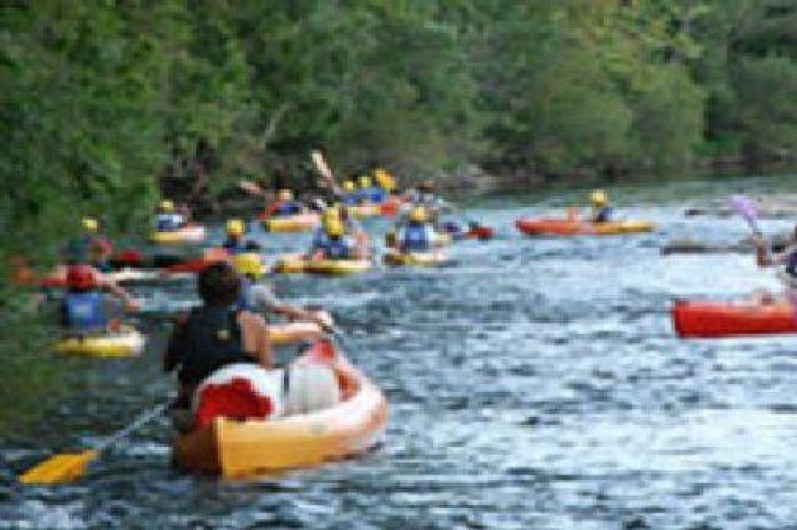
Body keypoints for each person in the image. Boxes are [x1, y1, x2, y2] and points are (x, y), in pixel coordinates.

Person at [163, 261, 274, 409]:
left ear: (200, 291)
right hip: (244, 404)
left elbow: (168, 366)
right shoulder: (255, 323)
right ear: (237, 291)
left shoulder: (184, 321)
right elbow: (266, 371)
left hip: (198, 404)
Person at [232, 253, 333, 329]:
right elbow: (282, 309)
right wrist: (314, 319)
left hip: (236, 326)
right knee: (289, 315)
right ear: (254, 269)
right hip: (253, 328)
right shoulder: (258, 290)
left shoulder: (229, 288)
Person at [58, 264, 138, 335]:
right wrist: (114, 287)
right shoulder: (105, 300)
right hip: (99, 337)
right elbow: (133, 307)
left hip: (70, 338)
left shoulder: (63, 301)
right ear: (93, 282)